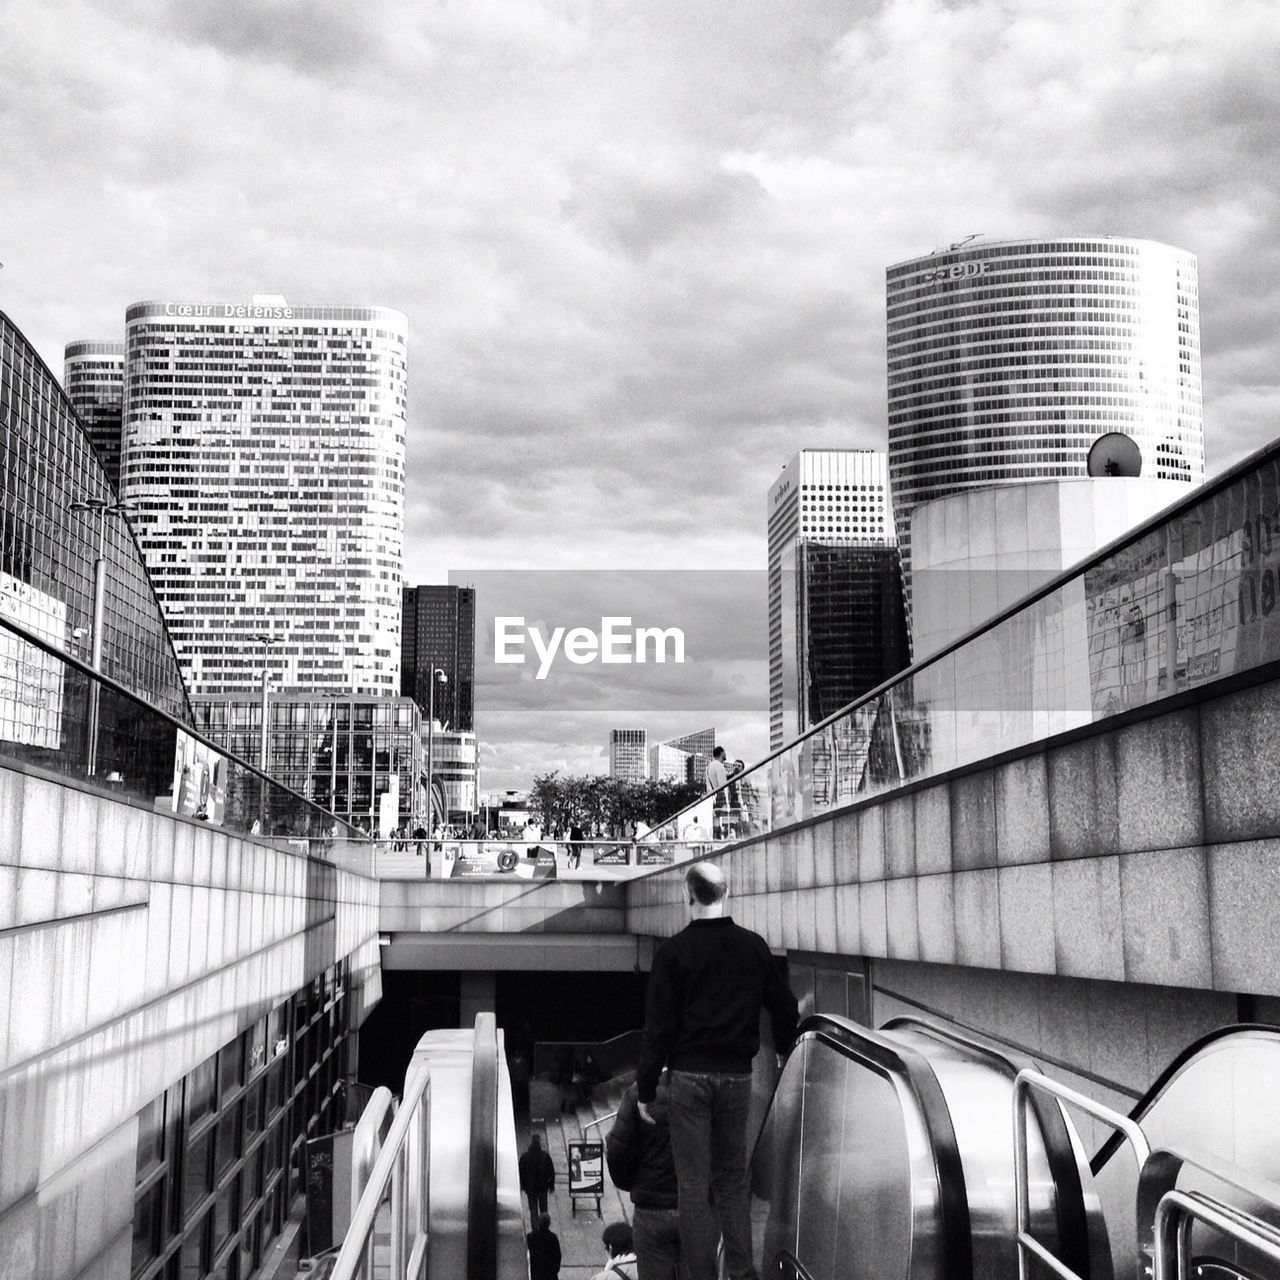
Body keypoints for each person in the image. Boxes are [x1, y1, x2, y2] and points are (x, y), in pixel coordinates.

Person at [635, 861, 799, 1280]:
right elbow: (785, 1005)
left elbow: (659, 1028)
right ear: (727, 894)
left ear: (688, 895)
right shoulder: (753, 946)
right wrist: (782, 1051)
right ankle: (742, 1274)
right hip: (738, 1077)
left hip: (688, 1077)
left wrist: (646, 1086)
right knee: (730, 1181)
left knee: (692, 1186)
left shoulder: (673, 953)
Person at [607, 1074, 681, 1280]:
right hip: (697, 1206)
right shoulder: (707, 1089)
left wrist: (631, 1183)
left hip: (652, 1208)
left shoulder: (640, 1092)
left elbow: (617, 1149)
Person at [519, 1133, 556, 1223]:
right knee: (543, 1208)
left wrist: (523, 1185)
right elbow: (551, 1171)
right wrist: (551, 1185)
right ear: (539, 1144)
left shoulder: (525, 1157)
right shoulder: (545, 1156)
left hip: (530, 1187)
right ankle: (544, 1225)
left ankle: (535, 1228)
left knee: (533, 1210)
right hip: (543, 1187)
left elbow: (521, 1172)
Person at [527, 1212, 562, 1280]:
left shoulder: (531, 1237)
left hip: (536, 1272)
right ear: (549, 1224)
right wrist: (556, 1269)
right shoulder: (553, 1238)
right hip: (550, 1273)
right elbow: (557, 1255)